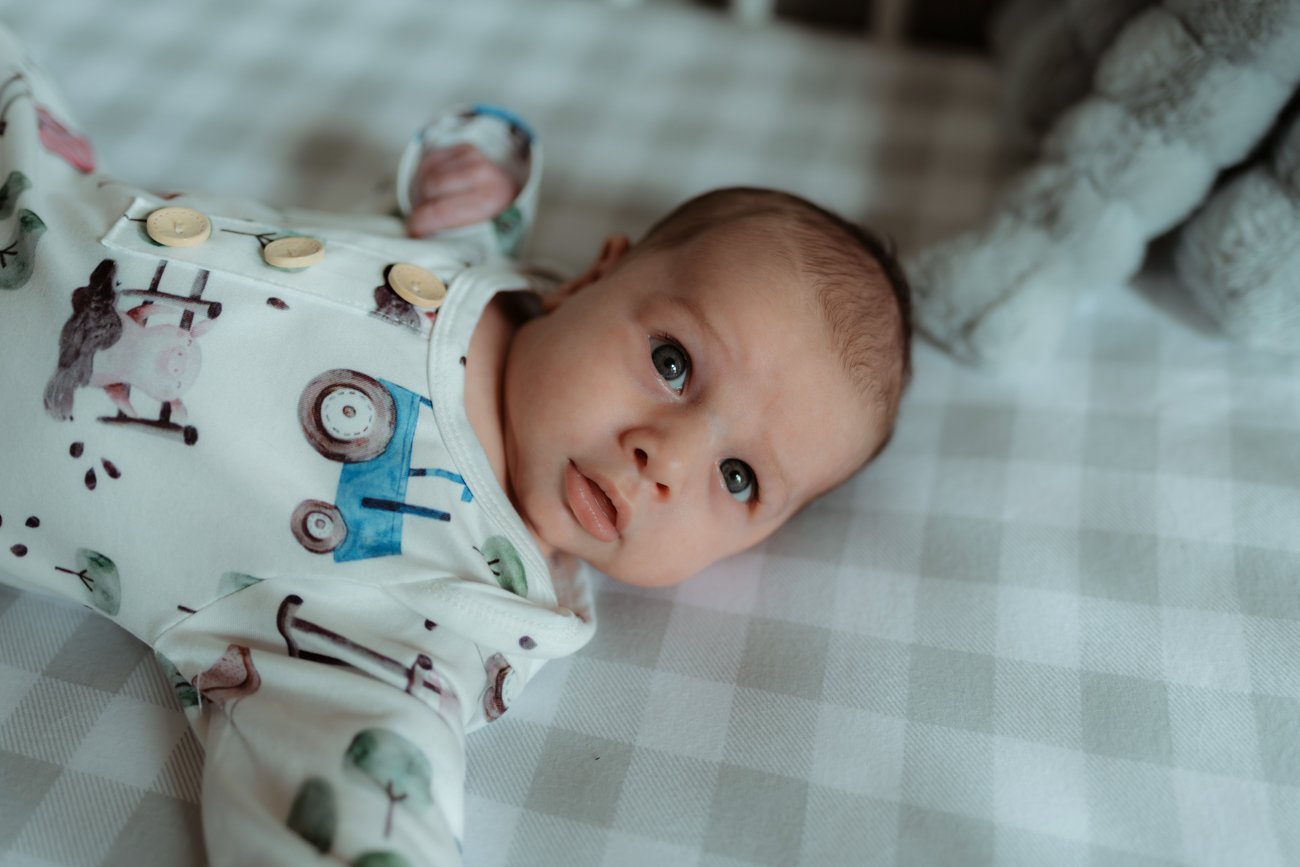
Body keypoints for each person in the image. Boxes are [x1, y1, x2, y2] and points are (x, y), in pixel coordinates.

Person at [0, 24, 910, 867]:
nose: (664, 457)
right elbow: (452, 195)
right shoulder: (470, 267)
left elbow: (354, 775)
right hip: (38, 190)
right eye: (672, 363)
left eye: (738, 476)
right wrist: (479, 179)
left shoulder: (442, 616)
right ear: (592, 276)